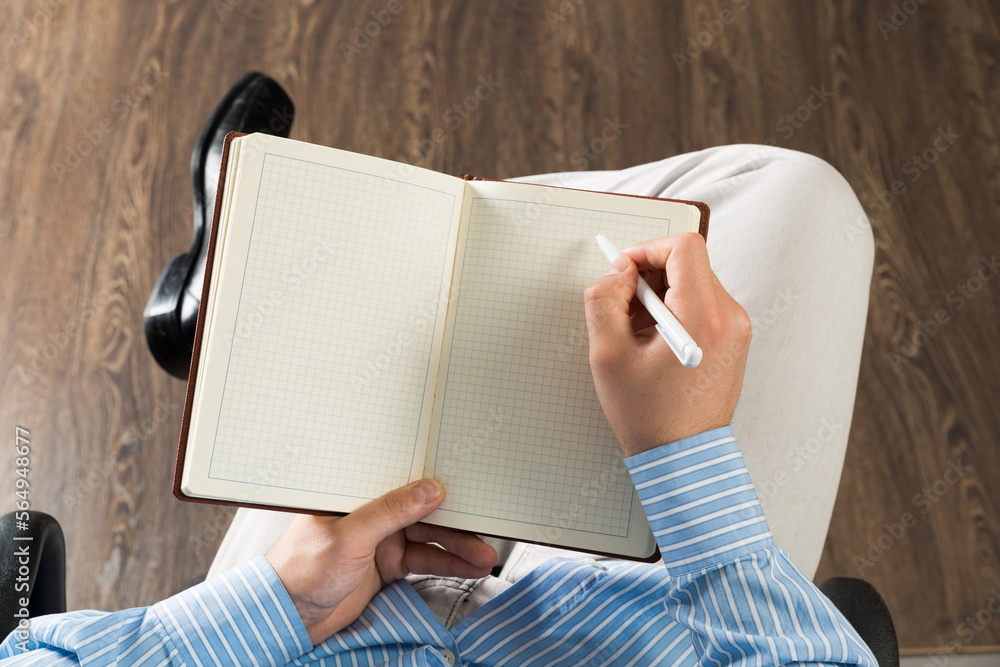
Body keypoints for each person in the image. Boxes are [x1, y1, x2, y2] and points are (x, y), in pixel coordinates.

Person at [0, 144, 877, 666]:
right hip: (658, 617)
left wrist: (282, 601)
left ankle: (241, 284)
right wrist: (683, 453)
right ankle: (244, 280)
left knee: (402, 320)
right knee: (799, 196)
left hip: (312, 618)